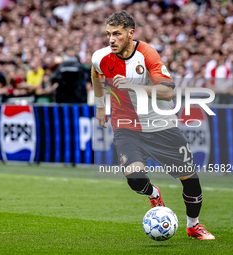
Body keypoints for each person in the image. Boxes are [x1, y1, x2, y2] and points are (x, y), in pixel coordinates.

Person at [91, 11, 215, 240]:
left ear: (130, 33)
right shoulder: (101, 56)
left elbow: (168, 92)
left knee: (190, 179)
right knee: (134, 177)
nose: (111, 39)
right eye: (108, 34)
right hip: (126, 125)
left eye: (116, 34)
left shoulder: (147, 54)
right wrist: (100, 105)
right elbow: (96, 72)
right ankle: (153, 193)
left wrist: (133, 87)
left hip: (161, 125)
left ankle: (193, 225)